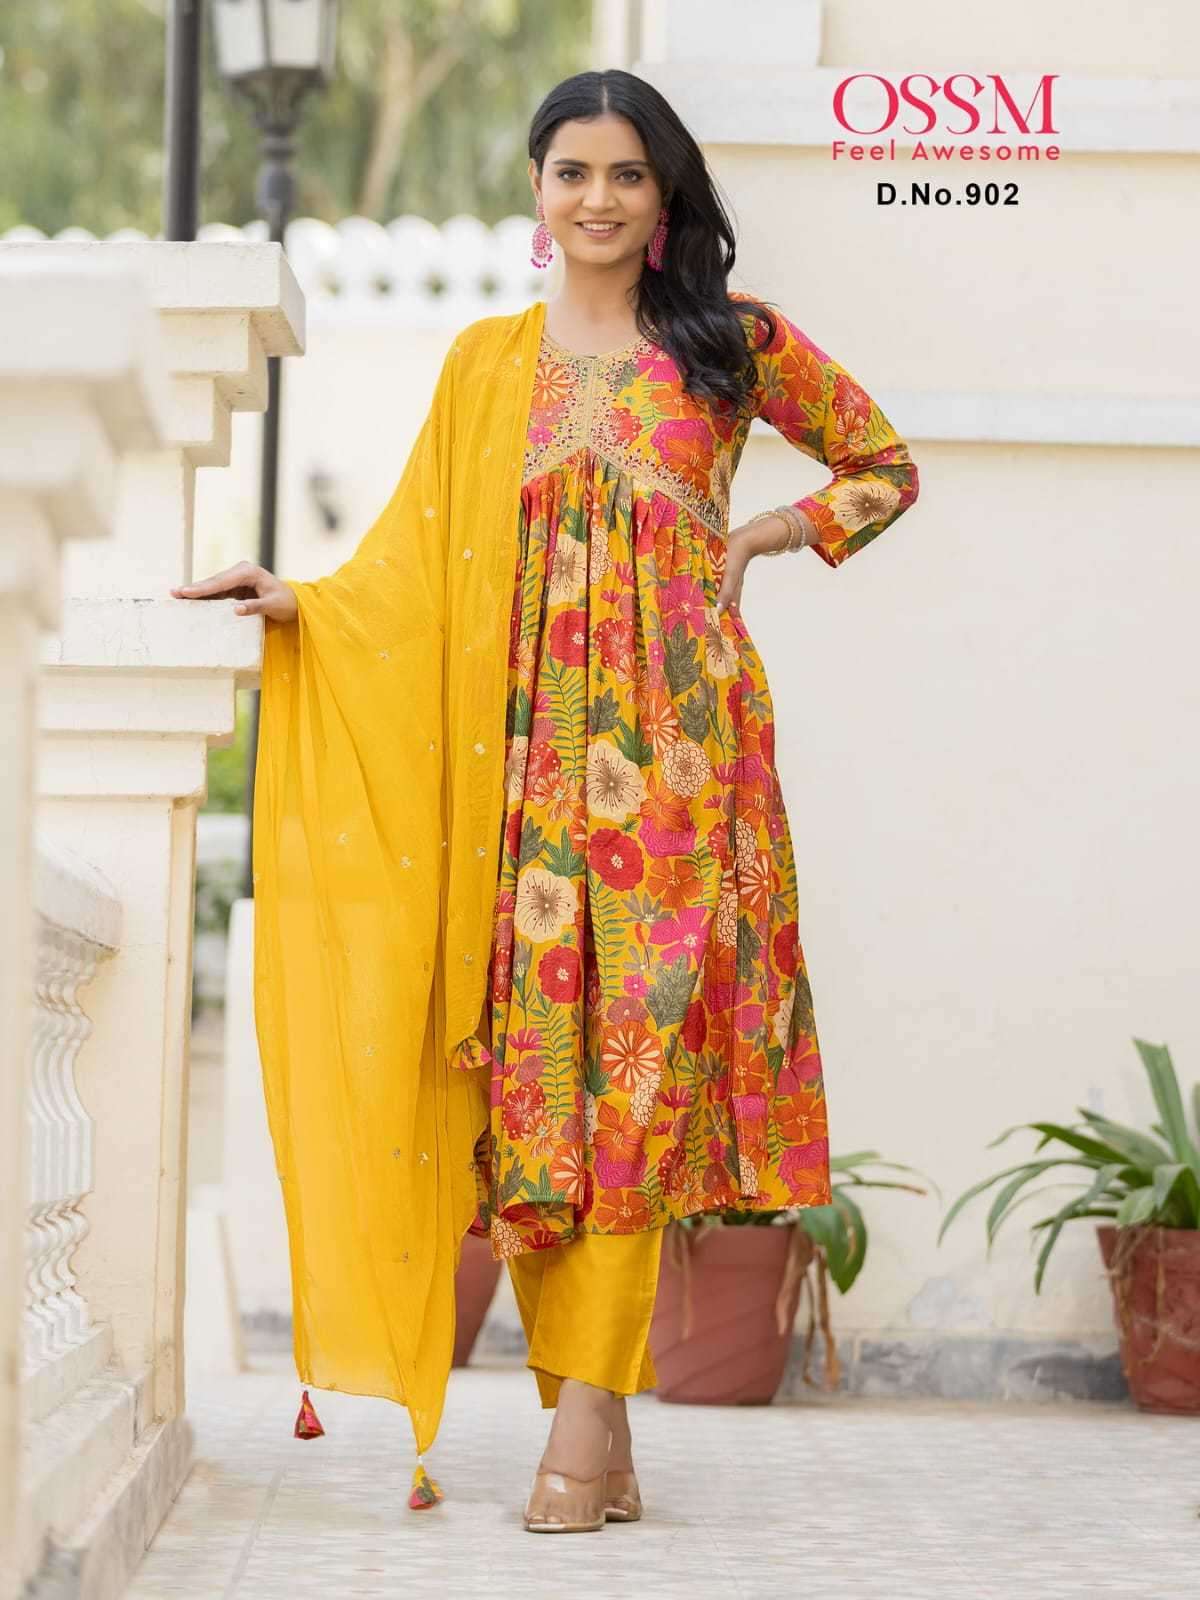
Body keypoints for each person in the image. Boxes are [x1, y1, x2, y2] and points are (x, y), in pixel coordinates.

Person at [171, 69, 919, 1534]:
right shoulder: (483, 364)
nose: (598, 198)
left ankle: (578, 1433)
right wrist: (303, 603)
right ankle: (604, 1419)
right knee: (538, 1094)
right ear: (536, 189)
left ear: (665, 194)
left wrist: (761, 535)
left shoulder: (731, 344)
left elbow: (883, 469)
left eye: (627, 174)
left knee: (632, 1080)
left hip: (684, 767)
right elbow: (412, 566)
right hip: (515, 779)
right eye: (573, 171)